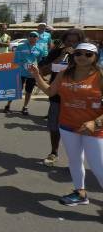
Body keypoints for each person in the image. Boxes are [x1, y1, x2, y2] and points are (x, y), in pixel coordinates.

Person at [29, 43, 103, 206]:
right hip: (68, 125)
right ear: (73, 56)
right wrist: (37, 76)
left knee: (98, 167)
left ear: (95, 57)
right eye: (78, 53)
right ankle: (80, 193)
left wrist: (95, 123)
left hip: (94, 129)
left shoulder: (100, 76)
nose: (82, 57)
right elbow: (50, 92)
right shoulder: (64, 73)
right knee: (75, 161)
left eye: (88, 54)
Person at [38, 28, 85, 166]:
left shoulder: (85, 55)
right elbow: (44, 71)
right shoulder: (57, 52)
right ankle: (54, 152)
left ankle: (75, 159)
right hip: (57, 95)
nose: (72, 44)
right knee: (54, 126)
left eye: (75, 42)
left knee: (77, 128)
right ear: (64, 41)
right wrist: (60, 57)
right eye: (69, 41)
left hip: (77, 97)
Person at [4, 31, 43, 115]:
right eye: (31, 36)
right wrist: (23, 65)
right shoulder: (21, 47)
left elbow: (39, 60)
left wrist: (35, 68)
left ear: (37, 38)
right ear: (28, 37)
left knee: (29, 91)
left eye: (34, 36)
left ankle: (25, 107)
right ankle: (7, 105)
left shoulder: (39, 49)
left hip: (32, 74)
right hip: (21, 72)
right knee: (16, 90)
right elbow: (16, 60)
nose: (32, 37)